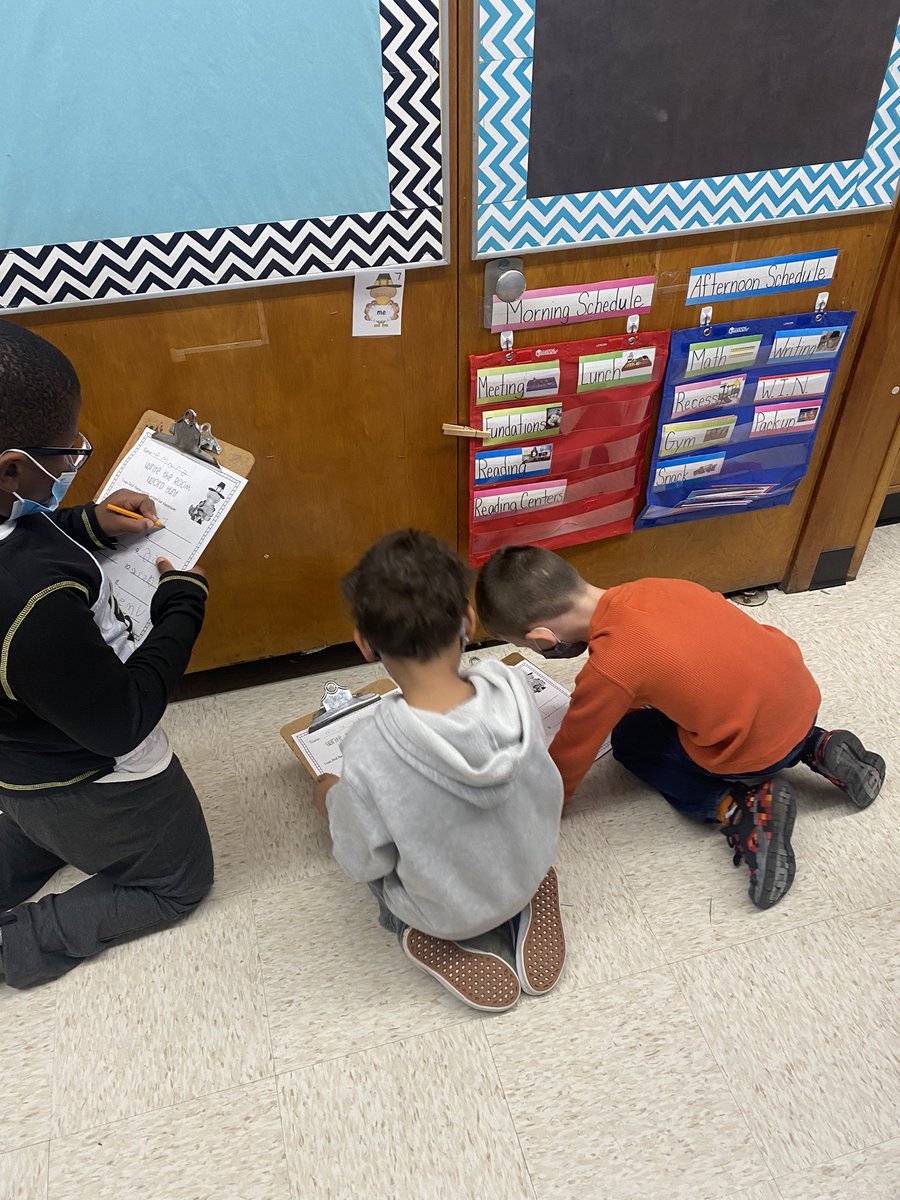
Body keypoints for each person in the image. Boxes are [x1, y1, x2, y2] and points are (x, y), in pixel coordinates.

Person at [476, 545, 886, 911]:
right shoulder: (661, 586)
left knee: (632, 740)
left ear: (543, 638)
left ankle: (740, 808)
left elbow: (571, 753)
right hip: (800, 698)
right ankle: (817, 746)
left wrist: (542, 806)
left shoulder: (610, 667)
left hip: (750, 750)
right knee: (713, 693)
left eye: (530, 648)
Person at [0, 320, 213, 989]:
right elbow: (125, 720)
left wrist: (86, 522)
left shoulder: (19, 540)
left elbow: (22, 529)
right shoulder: (30, 605)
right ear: (10, 465)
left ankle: (40, 838)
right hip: (86, 772)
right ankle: (20, 948)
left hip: (21, 762)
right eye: (64, 457)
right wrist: (181, 606)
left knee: (39, 823)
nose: (70, 464)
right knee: (179, 878)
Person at [311, 530, 566, 1012]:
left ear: (364, 643)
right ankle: (528, 898)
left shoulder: (368, 751)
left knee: (362, 843)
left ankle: (426, 935)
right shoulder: (513, 687)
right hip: (530, 861)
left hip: (445, 914)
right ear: (469, 619)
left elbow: (364, 861)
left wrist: (331, 799)